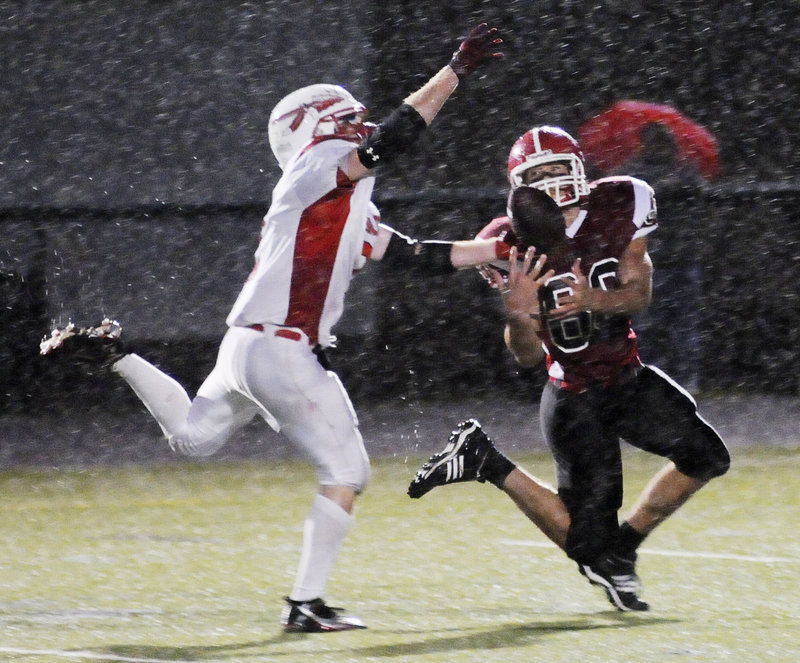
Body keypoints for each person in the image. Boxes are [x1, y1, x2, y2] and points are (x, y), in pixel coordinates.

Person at [39, 23, 507, 633]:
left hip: (247, 347)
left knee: (193, 437)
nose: (359, 127)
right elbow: (394, 139)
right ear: (316, 127)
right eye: (347, 120)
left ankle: (118, 354)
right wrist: (455, 71)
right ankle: (306, 605)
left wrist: (491, 251)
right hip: (283, 347)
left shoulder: (336, 197)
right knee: (347, 472)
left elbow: (414, 253)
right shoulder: (317, 168)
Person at [408, 125, 730, 612]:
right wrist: (517, 314)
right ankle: (485, 460)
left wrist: (591, 300)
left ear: (581, 168)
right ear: (520, 188)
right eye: (540, 176)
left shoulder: (622, 201)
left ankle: (621, 550)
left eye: (560, 169)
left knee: (707, 458)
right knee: (584, 547)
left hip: (627, 374)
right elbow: (528, 358)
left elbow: (639, 296)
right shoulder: (508, 242)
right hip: (574, 396)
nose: (554, 182)